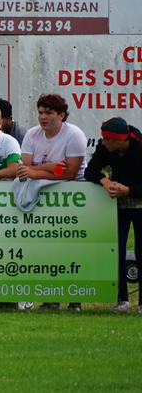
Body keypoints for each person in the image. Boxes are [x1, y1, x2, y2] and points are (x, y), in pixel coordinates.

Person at [18, 93, 86, 311]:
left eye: (48, 113)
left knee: (71, 250)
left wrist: (36, 172)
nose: (43, 117)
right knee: (46, 249)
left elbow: (70, 173)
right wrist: (47, 168)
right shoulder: (32, 134)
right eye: (40, 112)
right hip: (43, 198)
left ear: (61, 115)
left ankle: (75, 299)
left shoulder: (73, 134)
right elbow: (23, 169)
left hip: (72, 199)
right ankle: (51, 298)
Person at [84, 117, 142, 313]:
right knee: (117, 251)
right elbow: (90, 171)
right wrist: (105, 181)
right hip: (118, 206)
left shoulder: (140, 148)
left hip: (139, 203)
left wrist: (129, 190)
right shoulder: (105, 149)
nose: (103, 143)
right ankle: (122, 300)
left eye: (107, 140)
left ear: (120, 140)